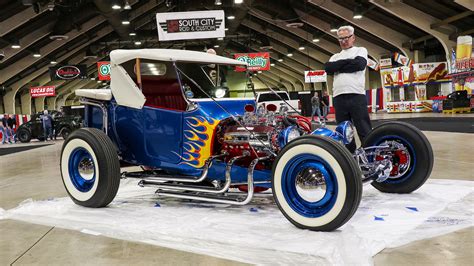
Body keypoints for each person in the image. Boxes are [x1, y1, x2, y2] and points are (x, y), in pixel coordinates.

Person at [324, 25, 372, 153]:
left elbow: (360, 65)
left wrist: (338, 66)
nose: (343, 41)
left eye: (346, 38)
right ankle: (350, 157)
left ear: (353, 38)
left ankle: (370, 155)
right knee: (344, 131)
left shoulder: (360, 50)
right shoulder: (334, 56)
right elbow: (328, 68)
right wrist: (349, 63)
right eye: (340, 39)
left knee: (364, 129)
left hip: (356, 96)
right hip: (339, 98)